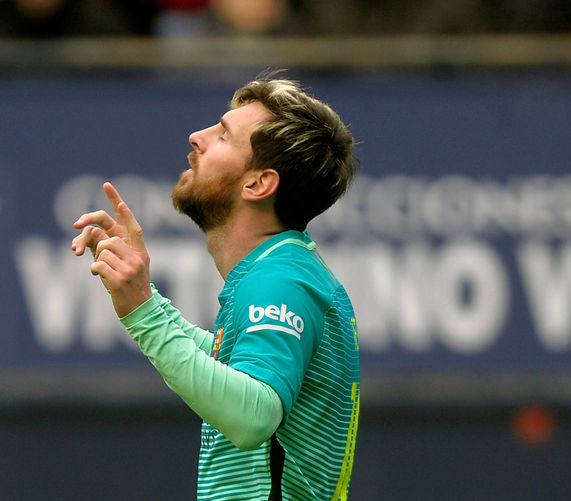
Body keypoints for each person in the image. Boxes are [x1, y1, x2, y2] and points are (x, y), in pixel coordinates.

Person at [72, 74, 361, 500]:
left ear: (258, 183)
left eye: (223, 136)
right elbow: (234, 374)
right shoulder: (283, 268)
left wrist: (145, 314)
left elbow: (254, 416)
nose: (197, 137)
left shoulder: (279, 279)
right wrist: (142, 300)